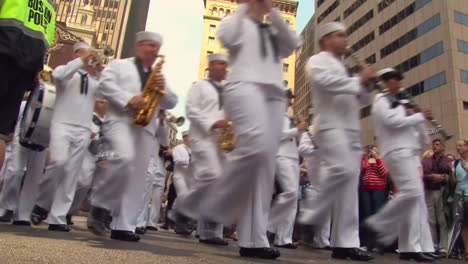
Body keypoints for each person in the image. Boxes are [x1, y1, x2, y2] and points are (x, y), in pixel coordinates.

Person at [198, 0, 299, 259]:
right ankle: (218, 200)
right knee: (254, 150)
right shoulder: (236, 21)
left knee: (264, 170)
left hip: (272, 96)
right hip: (246, 89)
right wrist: (246, 7)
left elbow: (291, 45)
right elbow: (226, 35)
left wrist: (274, 13)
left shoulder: (273, 27)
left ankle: (254, 239)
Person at [297, 21, 376, 261]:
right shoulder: (317, 61)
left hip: (350, 131)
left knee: (349, 188)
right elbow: (327, 84)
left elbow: (361, 99)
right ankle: (315, 210)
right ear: (326, 39)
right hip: (330, 128)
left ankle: (345, 243)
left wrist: (367, 83)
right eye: (340, 36)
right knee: (341, 175)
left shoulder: (344, 68)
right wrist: (357, 79)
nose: (345, 40)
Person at [89, 31, 178, 241]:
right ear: (138, 46)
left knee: (137, 178)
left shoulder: (158, 76)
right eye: (149, 45)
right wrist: (129, 98)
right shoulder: (119, 65)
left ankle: (124, 226)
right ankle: (101, 206)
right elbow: (104, 85)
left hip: (145, 128)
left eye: (156, 46)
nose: (153, 50)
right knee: (122, 157)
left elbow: (171, 102)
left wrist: (162, 86)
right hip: (119, 121)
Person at [365, 68, 435, 262]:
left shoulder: (403, 104)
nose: (397, 82)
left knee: (417, 202)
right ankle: (378, 225)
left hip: (411, 153)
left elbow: (422, 141)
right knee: (411, 194)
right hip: (396, 151)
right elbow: (391, 121)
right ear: (385, 82)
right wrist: (417, 116)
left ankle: (415, 246)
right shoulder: (382, 100)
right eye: (393, 79)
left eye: (398, 78)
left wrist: (420, 121)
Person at [34, 42, 101, 232]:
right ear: (76, 54)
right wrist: (82, 61)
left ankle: (58, 217)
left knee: (72, 174)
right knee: (59, 163)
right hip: (62, 124)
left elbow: (106, 93)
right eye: (86, 54)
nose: (90, 58)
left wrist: (99, 71)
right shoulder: (66, 71)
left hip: (83, 128)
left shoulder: (95, 79)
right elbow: (58, 76)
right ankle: (41, 203)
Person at [176, 53, 230, 246]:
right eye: (220, 64)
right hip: (202, 138)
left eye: (225, 64)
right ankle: (184, 208)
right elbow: (191, 110)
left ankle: (209, 232)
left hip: (221, 142)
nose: (224, 67)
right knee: (212, 177)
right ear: (211, 65)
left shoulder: (227, 90)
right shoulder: (199, 86)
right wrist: (213, 122)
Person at [0, 0, 56, 170]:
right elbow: (48, 41)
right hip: (26, 71)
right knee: (1, 134)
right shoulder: (49, 7)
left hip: (3, 56)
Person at [267, 89, 307, 249]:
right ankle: (267, 226)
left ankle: (284, 238)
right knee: (289, 193)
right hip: (281, 156)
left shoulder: (288, 117)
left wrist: (300, 131)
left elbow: (292, 138)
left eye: (291, 99)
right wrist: (296, 130)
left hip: (292, 157)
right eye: (288, 98)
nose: (290, 102)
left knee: (292, 200)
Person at [422, 139, 452, 257]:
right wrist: (432, 176)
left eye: (438, 144)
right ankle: (432, 246)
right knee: (431, 220)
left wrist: (444, 177)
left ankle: (443, 248)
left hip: (443, 191)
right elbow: (422, 175)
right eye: (434, 144)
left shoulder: (448, 161)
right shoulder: (426, 161)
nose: (435, 146)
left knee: (442, 220)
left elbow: (453, 176)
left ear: (443, 147)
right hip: (429, 190)